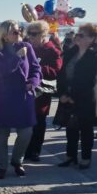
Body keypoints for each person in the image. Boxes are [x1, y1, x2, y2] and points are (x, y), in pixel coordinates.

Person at [0, 20, 41, 178]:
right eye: (15, 32)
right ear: (5, 35)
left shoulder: (26, 46)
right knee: (2, 134)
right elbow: (0, 71)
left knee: (26, 132)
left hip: (23, 97)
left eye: (20, 30)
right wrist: (17, 57)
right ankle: (2, 166)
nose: (20, 34)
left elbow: (36, 69)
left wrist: (33, 82)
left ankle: (17, 161)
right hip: (3, 97)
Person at [57, 23, 97, 169]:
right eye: (77, 33)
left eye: (81, 34)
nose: (77, 36)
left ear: (92, 38)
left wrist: (73, 96)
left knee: (86, 129)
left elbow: (93, 78)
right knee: (70, 128)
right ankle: (70, 156)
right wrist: (62, 94)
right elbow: (61, 74)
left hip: (86, 97)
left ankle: (85, 157)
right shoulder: (71, 51)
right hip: (67, 96)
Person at [24, 20, 63, 161]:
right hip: (26, 91)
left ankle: (35, 151)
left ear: (44, 34)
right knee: (26, 123)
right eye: (29, 33)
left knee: (39, 122)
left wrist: (38, 68)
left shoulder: (52, 50)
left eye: (34, 34)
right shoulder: (27, 47)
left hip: (42, 93)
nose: (30, 37)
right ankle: (25, 150)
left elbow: (56, 71)